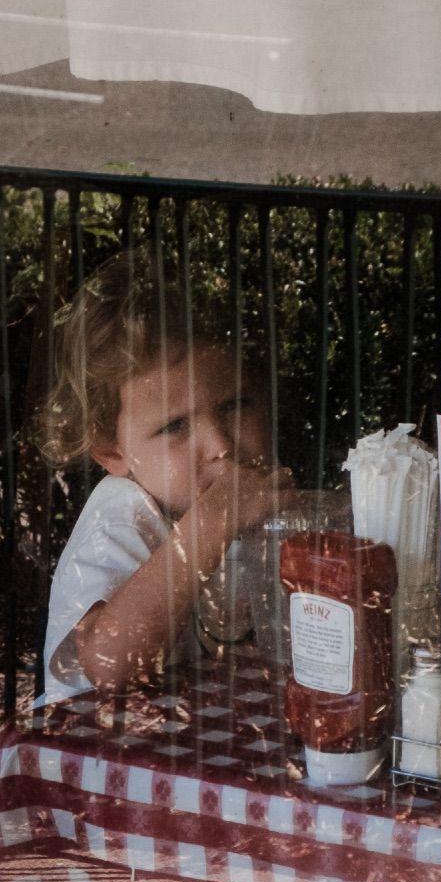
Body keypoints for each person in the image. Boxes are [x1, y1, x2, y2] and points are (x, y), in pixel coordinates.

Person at [37, 253, 291, 701]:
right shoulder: (121, 521)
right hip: (101, 762)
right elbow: (109, 666)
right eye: (175, 427)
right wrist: (213, 519)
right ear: (113, 453)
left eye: (234, 405)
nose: (220, 445)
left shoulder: (253, 505)